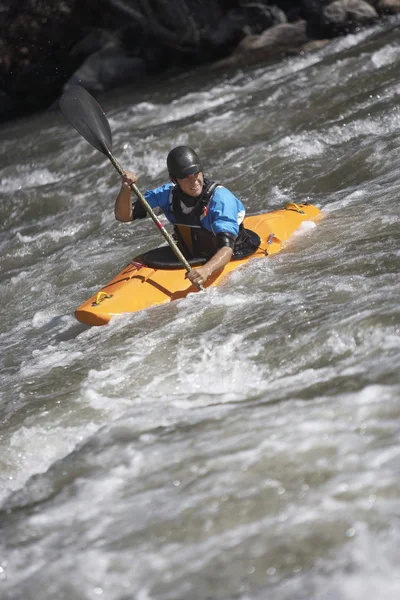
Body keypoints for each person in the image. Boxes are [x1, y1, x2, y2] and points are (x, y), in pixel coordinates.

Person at [114, 146, 249, 288]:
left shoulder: (221, 200)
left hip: (231, 254)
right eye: (186, 178)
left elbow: (226, 249)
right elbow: (124, 216)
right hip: (192, 254)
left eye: (196, 174)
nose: (194, 182)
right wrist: (126, 189)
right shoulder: (167, 195)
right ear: (174, 179)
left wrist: (206, 270)